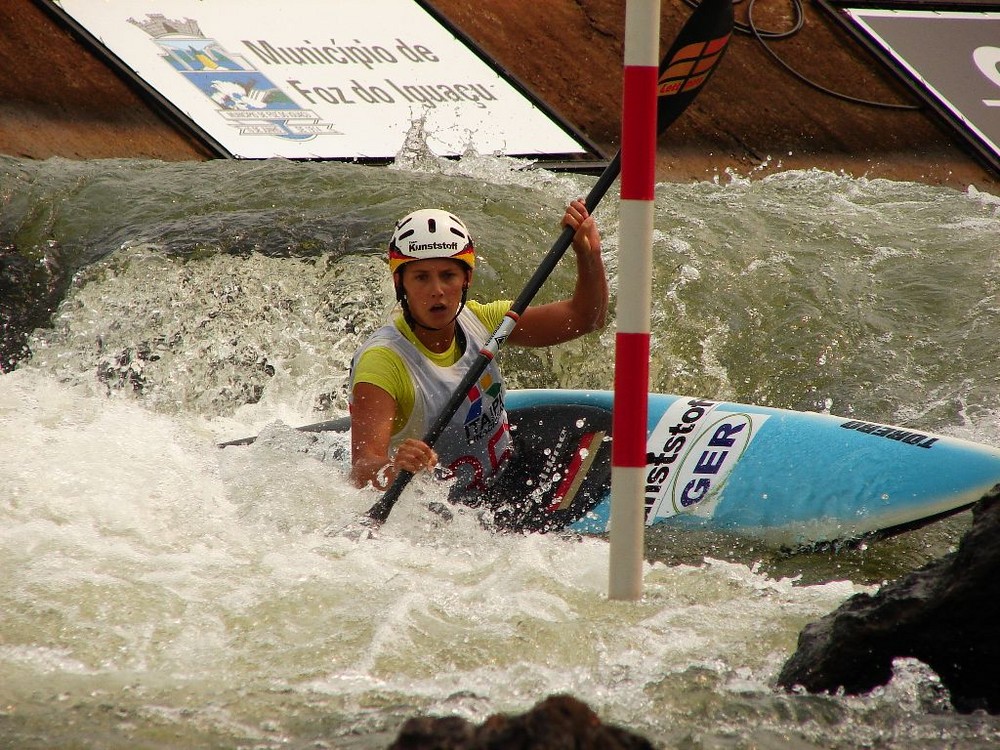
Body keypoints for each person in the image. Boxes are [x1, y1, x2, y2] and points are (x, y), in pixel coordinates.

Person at [348, 199, 608, 494]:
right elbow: (362, 469)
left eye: (448, 275)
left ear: (467, 278)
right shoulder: (381, 363)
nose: (437, 291)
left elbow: (586, 318)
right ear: (400, 282)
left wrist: (589, 254)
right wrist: (395, 468)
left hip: (503, 478)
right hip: (439, 508)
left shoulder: (487, 322)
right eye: (421, 277)